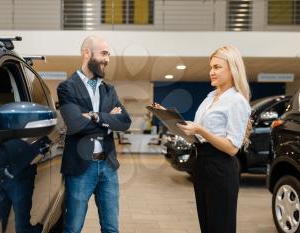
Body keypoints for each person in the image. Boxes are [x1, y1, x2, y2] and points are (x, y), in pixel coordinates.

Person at [154, 45, 251, 233]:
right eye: (211, 67)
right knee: (206, 226)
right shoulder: (210, 97)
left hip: (221, 168)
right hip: (202, 165)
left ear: (232, 69)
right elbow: (200, 133)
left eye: (217, 67)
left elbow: (232, 148)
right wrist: (171, 119)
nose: (211, 72)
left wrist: (200, 130)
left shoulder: (237, 101)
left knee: (220, 226)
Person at [57, 36, 131, 233]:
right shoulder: (67, 87)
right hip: (81, 167)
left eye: (109, 55)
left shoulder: (109, 90)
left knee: (111, 228)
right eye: (104, 53)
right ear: (87, 53)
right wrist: (108, 121)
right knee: (73, 227)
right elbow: (74, 124)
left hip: (108, 166)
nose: (107, 59)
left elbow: (125, 122)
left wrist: (94, 116)